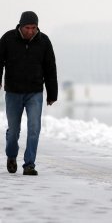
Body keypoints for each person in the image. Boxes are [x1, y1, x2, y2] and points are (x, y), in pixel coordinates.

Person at [0, 11, 58, 175]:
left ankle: (29, 164)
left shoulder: (44, 41)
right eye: (27, 27)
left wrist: (52, 93)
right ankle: (11, 156)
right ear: (20, 25)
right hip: (13, 92)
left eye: (34, 27)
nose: (31, 31)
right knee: (13, 131)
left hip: (35, 92)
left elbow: (50, 68)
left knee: (34, 128)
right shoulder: (8, 39)